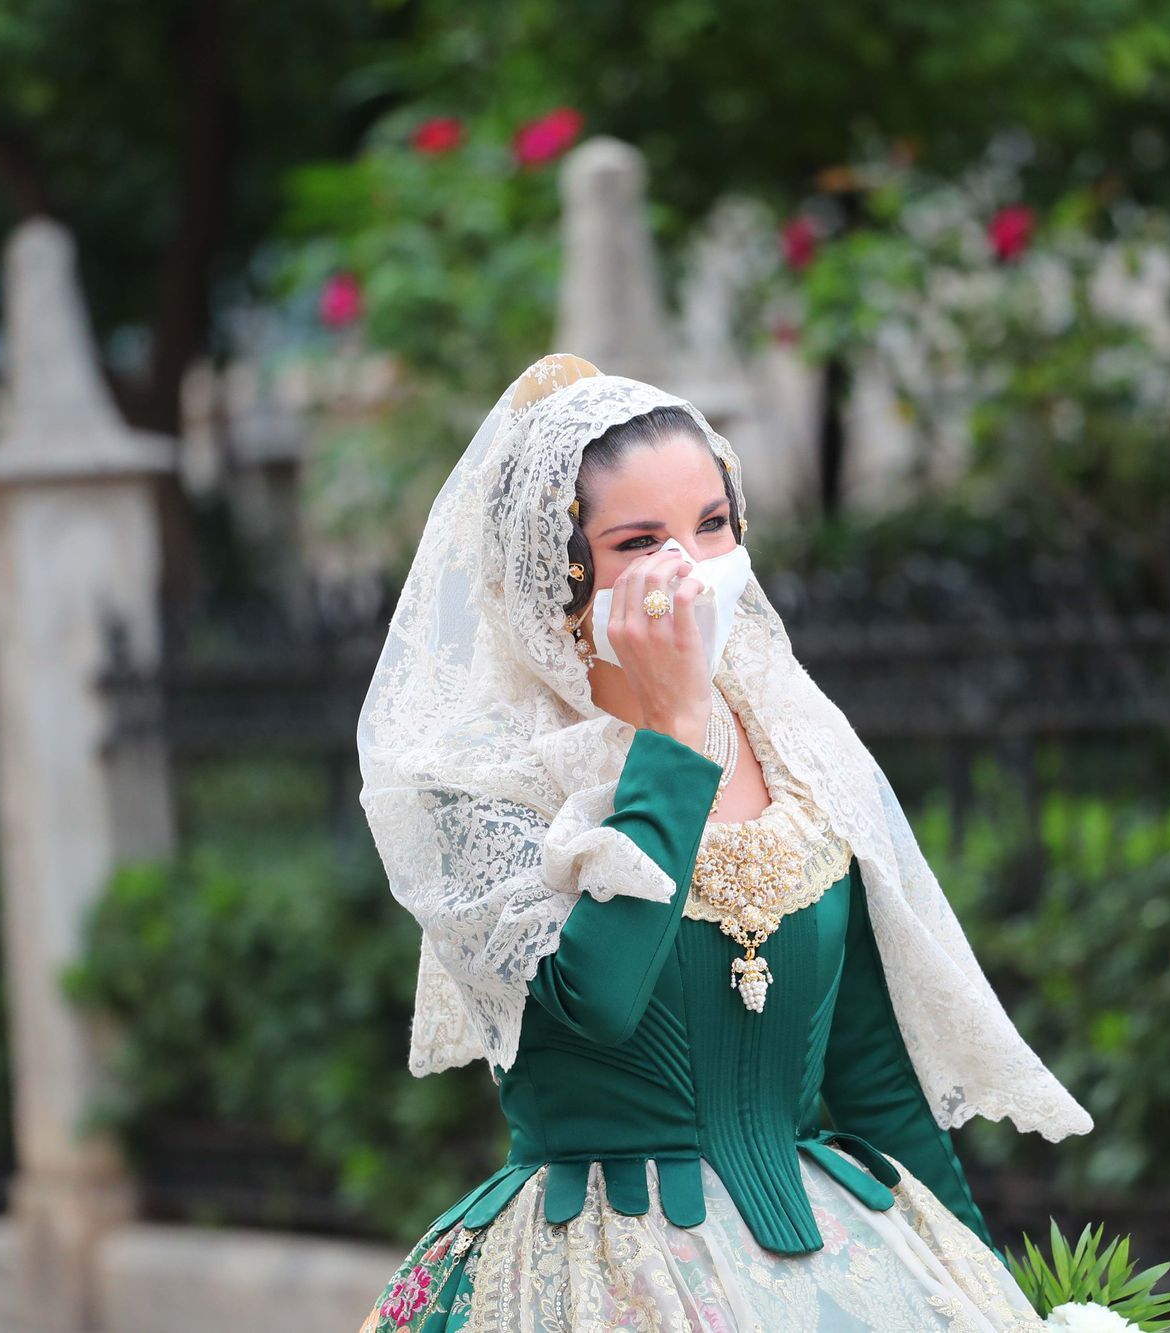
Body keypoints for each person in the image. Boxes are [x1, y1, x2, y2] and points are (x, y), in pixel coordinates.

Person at [355, 353, 1093, 1331]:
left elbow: (873, 1080)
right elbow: (595, 1006)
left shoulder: (798, 747)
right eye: (639, 541)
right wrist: (668, 735)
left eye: (711, 526)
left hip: (839, 1264)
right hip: (591, 1276)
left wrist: (997, 1301)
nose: (687, 571)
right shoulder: (481, 786)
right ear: (553, 574)